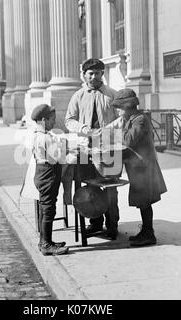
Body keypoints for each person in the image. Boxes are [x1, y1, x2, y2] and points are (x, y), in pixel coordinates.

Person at [104, 88, 167, 246]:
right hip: (138, 168)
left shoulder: (139, 119)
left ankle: (149, 234)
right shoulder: (130, 118)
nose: (118, 111)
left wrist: (114, 133)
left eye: (119, 107)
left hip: (144, 168)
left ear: (127, 106)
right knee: (142, 201)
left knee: (145, 201)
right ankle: (146, 231)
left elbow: (128, 140)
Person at [65, 58, 119, 240]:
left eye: (98, 73)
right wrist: (83, 129)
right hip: (85, 150)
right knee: (89, 186)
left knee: (111, 187)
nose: (94, 77)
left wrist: (109, 130)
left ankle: (112, 225)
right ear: (84, 75)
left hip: (110, 150)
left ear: (103, 74)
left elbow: (122, 118)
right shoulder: (78, 96)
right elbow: (69, 120)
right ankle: (94, 222)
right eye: (91, 73)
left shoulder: (112, 95)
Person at [32, 104, 69, 256]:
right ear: (43, 120)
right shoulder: (46, 137)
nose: (54, 122)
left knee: (44, 208)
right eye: (52, 119)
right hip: (48, 173)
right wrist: (66, 151)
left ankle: (44, 241)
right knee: (48, 209)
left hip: (42, 173)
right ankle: (46, 244)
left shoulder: (38, 135)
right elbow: (58, 158)